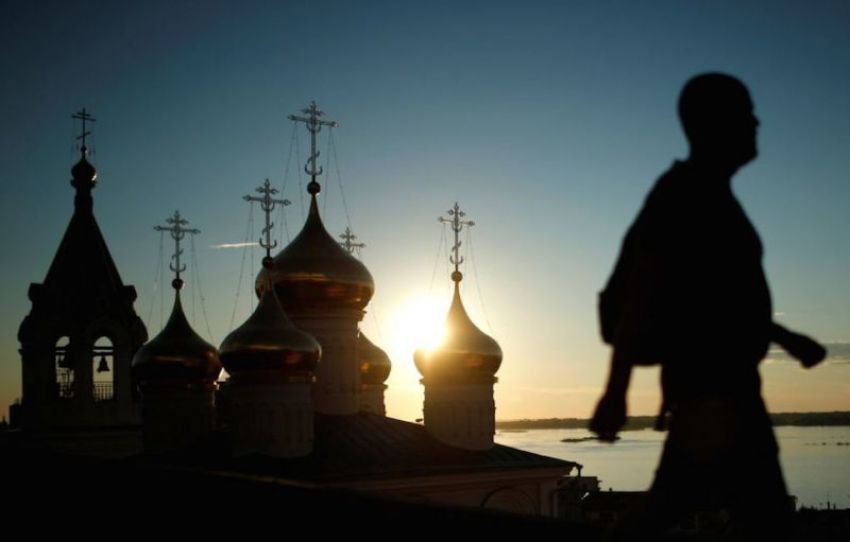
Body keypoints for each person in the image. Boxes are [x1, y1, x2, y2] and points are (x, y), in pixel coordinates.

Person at [590, 73, 826, 540]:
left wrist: (786, 338)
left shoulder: (711, 195)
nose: (757, 122)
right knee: (762, 518)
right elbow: (643, 294)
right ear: (714, 124)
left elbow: (717, 302)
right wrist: (616, 393)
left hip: (722, 391)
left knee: (676, 505)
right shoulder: (684, 194)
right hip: (714, 395)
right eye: (746, 113)